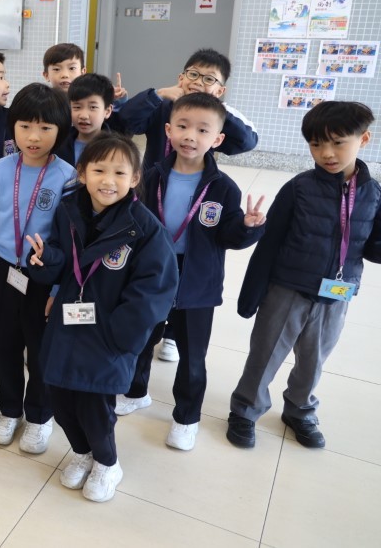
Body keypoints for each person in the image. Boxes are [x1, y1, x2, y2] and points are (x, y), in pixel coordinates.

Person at [27, 133, 177, 502]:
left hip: (108, 334)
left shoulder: (145, 229)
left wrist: (119, 335)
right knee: (59, 395)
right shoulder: (69, 210)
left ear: (135, 178)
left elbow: (154, 290)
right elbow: (64, 261)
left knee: (94, 406)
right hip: (67, 322)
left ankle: (108, 463)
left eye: (119, 173)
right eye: (99, 170)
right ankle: (82, 452)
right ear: (82, 173)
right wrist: (46, 260)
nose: (108, 181)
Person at [228, 101, 381, 450]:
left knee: (314, 359)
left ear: (364, 139)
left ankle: (300, 410)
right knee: (265, 354)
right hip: (288, 288)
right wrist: (251, 295)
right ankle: (245, 409)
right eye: (316, 144)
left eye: (338, 142)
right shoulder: (298, 188)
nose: (326, 153)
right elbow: (269, 245)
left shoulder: (373, 194)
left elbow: (373, 250)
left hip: (337, 294)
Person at [117, 94, 265, 452]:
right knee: (142, 339)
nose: (190, 136)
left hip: (196, 281)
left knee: (192, 355)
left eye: (202, 130)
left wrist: (247, 227)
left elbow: (228, 236)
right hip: (153, 274)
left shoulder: (223, 187)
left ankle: (186, 417)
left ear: (217, 139)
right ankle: (135, 392)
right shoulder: (151, 177)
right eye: (182, 126)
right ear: (168, 130)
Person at [0, 84, 75, 453]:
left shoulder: (67, 175)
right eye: (25, 127)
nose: (34, 137)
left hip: (43, 274)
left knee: (40, 349)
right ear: (12, 127)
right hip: (5, 269)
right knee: (6, 344)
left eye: (45, 128)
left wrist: (56, 289)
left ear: (60, 131)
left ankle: (39, 415)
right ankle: (9, 410)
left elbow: (68, 240)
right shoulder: (0, 169)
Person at [118, 48, 258, 171]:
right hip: (153, 183)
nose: (198, 81)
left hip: (198, 185)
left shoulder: (218, 115)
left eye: (209, 79)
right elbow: (127, 120)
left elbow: (247, 141)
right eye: (193, 74)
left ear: (219, 91)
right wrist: (157, 94)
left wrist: (216, 109)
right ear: (181, 78)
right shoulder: (161, 105)